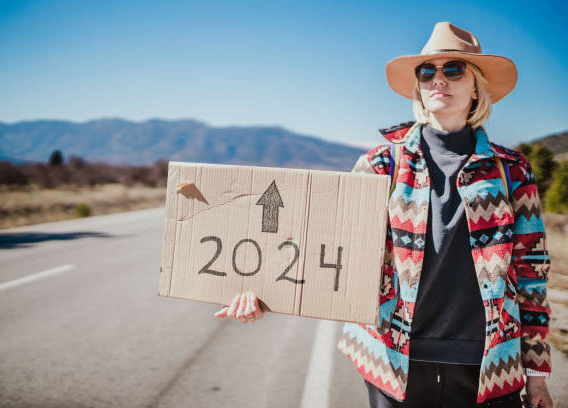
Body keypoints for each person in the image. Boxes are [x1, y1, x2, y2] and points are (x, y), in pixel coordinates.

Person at [215, 21, 553, 408]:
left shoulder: (511, 169)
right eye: (427, 72)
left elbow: (532, 269)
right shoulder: (380, 164)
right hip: (393, 360)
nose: (438, 79)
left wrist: (537, 374)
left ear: (476, 86)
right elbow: (325, 243)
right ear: (419, 87)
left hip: (492, 364)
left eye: (453, 69)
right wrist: (263, 292)